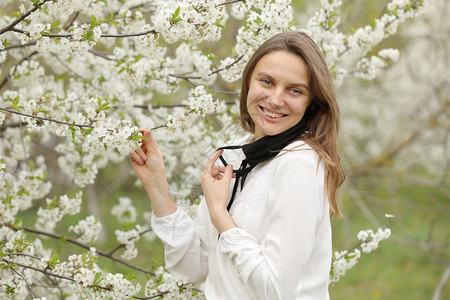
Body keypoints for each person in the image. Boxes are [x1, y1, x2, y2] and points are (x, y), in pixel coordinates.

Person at [130, 31, 345, 299]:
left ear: (311, 103)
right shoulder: (236, 153)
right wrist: (156, 183)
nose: (276, 99)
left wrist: (220, 213)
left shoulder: (298, 165)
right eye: (267, 82)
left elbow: (275, 291)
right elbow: (193, 269)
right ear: (248, 82)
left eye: (295, 90)